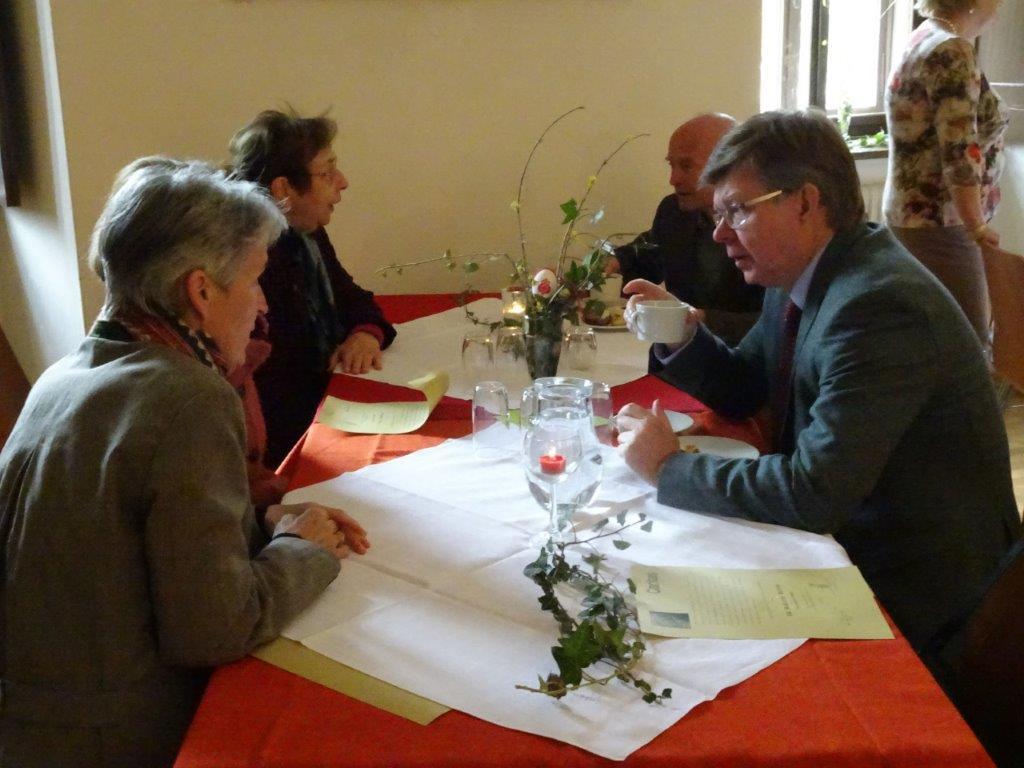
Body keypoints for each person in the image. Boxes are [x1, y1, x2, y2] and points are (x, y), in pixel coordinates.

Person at [0, 158, 370, 768]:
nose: (262, 304)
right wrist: (304, 551)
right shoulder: (188, 396)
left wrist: (264, 520)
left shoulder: (67, 372)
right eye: (254, 280)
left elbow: (127, 541)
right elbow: (216, 629)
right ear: (200, 291)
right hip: (111, 736)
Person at [616, 109, 1021, 654]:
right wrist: (680, 332)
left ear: (805, 203)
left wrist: (668, 467)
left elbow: (813, 493)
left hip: (926, 596)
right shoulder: (802, 273)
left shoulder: (880, 305)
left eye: (736, 211)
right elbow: (744, 387)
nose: (719, 233)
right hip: (849, 542)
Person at [229, 109, 397, 466]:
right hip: (281, 443)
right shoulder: (247, 258)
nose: (343, 182)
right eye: (326, 173)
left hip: (326, 410)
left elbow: (353, 298)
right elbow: (272, 381)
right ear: (283, 189)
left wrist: (365, 334)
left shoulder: (306, 236)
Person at [884, 0, 1009, 353]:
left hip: (916, 219)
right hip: (942, 225)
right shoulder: (952, 51)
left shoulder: (925, 37)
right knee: (968, 347)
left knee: (930, 344)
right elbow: (959, 150)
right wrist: (977, 227)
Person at [606, 113, 763, 345]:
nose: (673, 179)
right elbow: (646, 256)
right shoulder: (674, 212)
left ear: (729, 164)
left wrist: (700, 320)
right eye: (672, 165)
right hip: (679, 354)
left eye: (686, 166)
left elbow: (782, 323)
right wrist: (609, 265)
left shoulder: (763, 225)